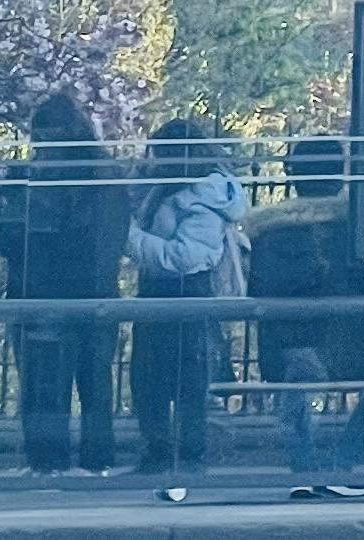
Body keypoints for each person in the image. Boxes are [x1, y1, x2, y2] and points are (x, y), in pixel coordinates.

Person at [0, 93, 127, 479]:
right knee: (94, 381)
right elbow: (108, 238)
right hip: (93, 290)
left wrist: (36, 239)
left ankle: (48, 461)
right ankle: (96, 460)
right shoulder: (105, 175)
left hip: (40, 289)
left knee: (44, 384)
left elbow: (2, 236)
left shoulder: (30, 177)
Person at [246, 135, 364, 488]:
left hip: (286, 344)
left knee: (297, 391)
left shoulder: (269, 231)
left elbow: (257, 291)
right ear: (340, 173)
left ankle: (305, 469)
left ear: (293, 174)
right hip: (346, 342)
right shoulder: (353, 228)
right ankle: (345, 459)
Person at [124, 118, 249, 498]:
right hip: (157, 289)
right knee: (147, 375)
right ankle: (159, 450)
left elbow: (185, 258)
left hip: (185, 289)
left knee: (187, 377)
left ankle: (187, 453)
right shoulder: (165, 189)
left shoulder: (202, 198)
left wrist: (131, 239)